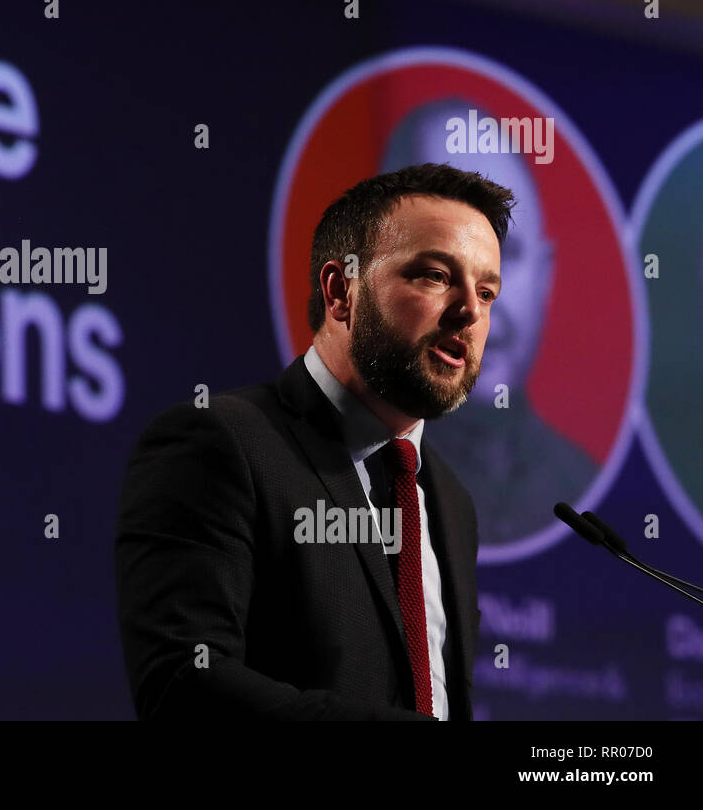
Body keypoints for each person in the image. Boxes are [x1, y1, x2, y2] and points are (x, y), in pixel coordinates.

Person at [115, 163, 511, 720]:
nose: (471, 310)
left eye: (487, 290)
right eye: (434, 275)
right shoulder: (221, 443)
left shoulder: (451, 503)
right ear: (341, 291)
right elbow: (183, 685)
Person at [381, 100, 596, 547]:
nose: (475, 303)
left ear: (545, 277)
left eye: (506, 253)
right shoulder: (330, 476)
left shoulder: (583, 491)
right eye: (441, 259)